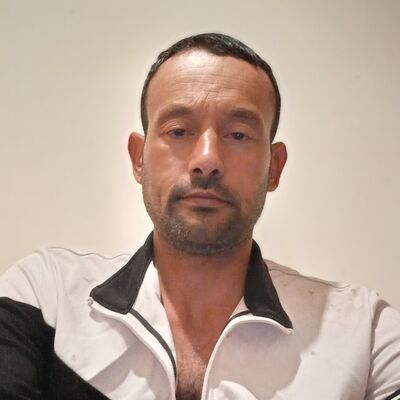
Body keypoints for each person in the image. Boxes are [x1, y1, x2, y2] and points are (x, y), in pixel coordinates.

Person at [0, 33, 399, 400]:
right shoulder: (47, 299)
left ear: (274, 168)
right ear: (138, 159)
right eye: (179, 131)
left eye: (238, 134)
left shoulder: (365, 335)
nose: (207, 160)